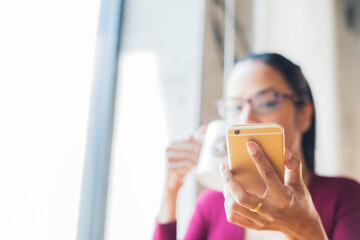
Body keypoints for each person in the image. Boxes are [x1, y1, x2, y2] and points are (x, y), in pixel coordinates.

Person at [153, 53, 360, 240]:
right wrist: (171, 190)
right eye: (235, 107)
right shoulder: (211, 205)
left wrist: (306, 230)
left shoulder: (345, 197)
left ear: (304, 115)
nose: (246, 118)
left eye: (267, 102)